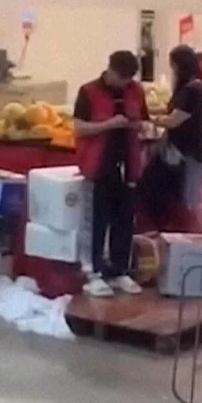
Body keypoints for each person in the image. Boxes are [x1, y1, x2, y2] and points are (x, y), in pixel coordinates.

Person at [73, 50, 146, 297]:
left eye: (129, 79)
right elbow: (79, 127)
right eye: (121, 77)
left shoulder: (136, 91)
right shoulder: (88, 92)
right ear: (110, 69)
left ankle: (119, 270)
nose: (125, 83)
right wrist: (108, 125)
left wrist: (134, 124)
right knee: (95, 221)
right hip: (97, 165)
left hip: (128, 164)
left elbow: (142, 121)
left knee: (124, 220)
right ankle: (92, 271)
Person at [153, 45, 202, 235]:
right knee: (193, 201)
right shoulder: (199, 87)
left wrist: (152, 120)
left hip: (193, 154)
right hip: (195, 152)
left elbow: (174, 120)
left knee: (195, 202)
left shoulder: (192, 90)